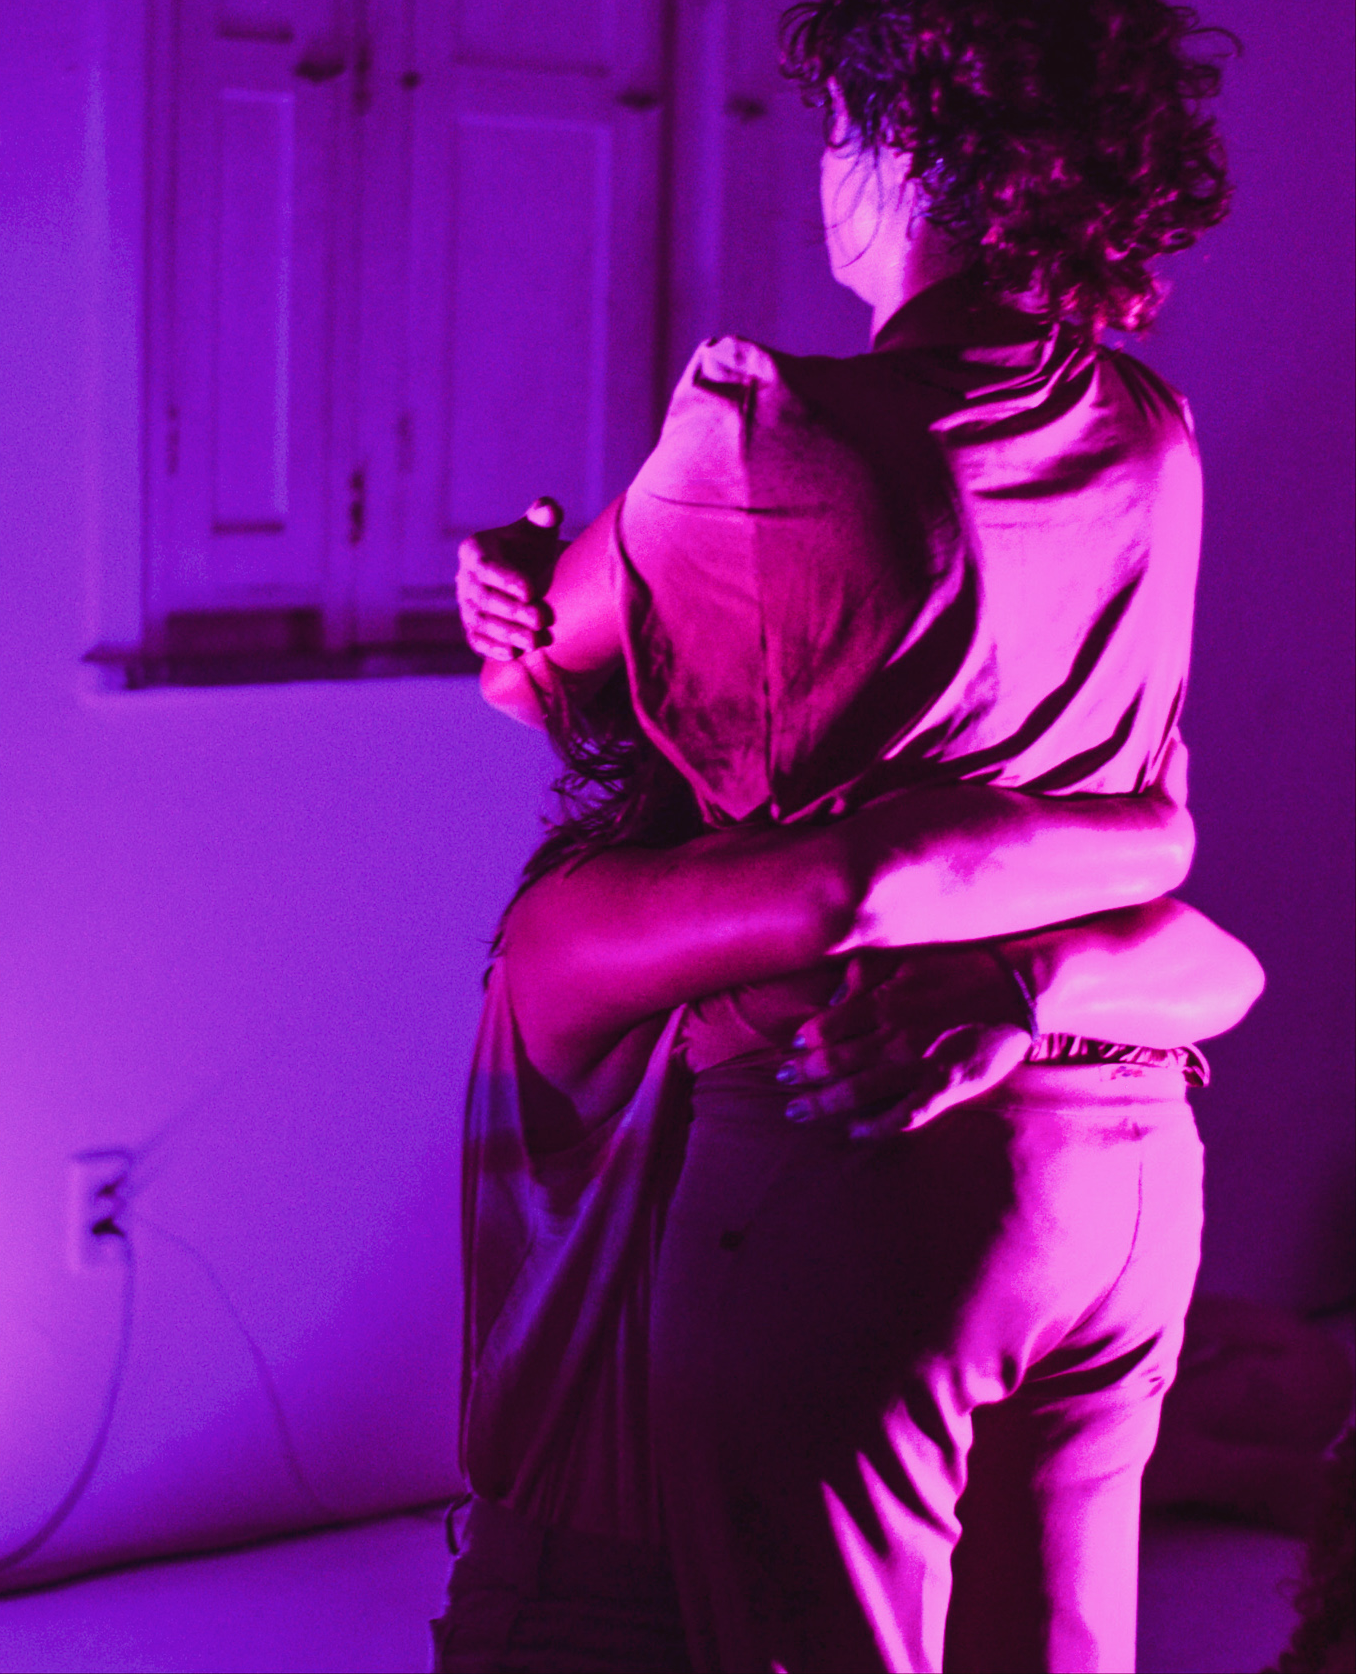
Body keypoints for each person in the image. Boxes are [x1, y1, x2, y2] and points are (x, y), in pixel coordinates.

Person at [453, 0, 1242, 1670]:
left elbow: (551, 674)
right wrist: (1139, 843)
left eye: (832, 128)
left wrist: (508, 586)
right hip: (1125, 1163)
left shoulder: (768, 437)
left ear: (895, 144)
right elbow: (1154, 841)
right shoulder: (1152, 435)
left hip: (857, 1164)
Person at [433, 672, 1260, 1674]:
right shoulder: (580, 916)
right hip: (594, 1609)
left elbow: (1221, 967)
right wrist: (1152, 834)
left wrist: (1024, 983)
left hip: (815, 1537)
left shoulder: (933, 921)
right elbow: (848, 889)